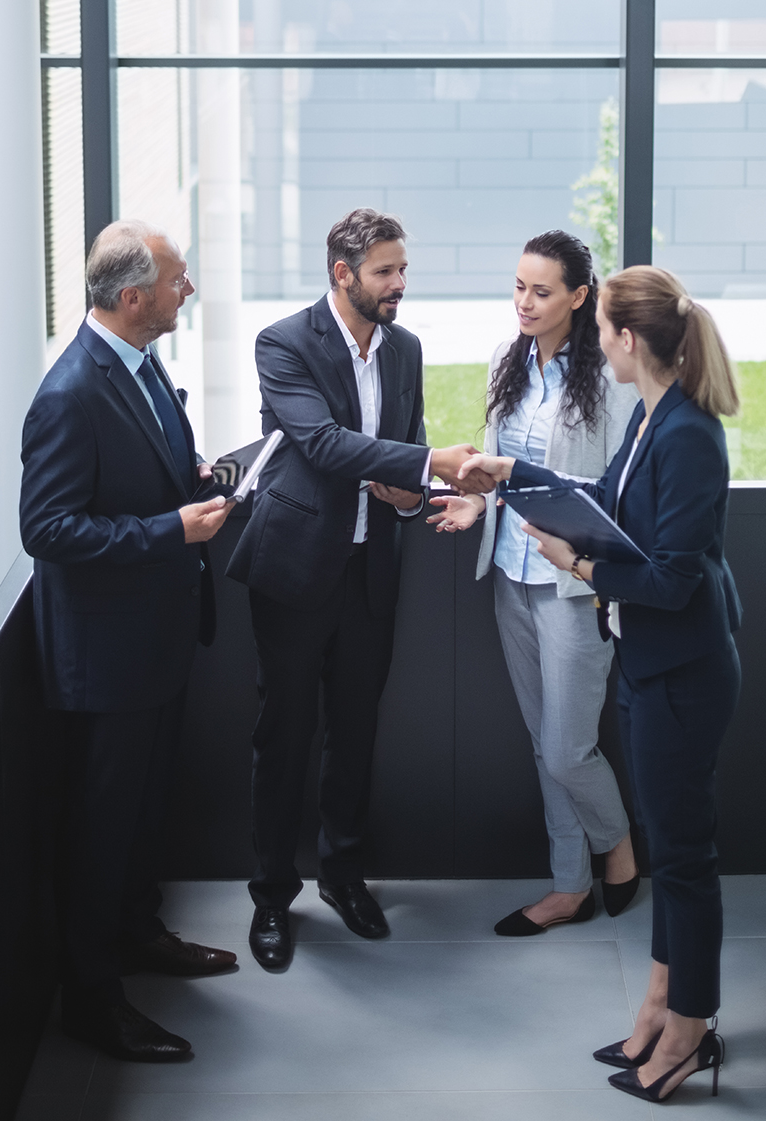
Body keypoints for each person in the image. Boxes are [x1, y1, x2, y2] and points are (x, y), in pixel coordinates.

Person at [458, 265, 742, 1103]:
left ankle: (691, 1028)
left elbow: (673, 578)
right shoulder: (652, 418)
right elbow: (605, 500)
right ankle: (661, 999)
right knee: (673, 847)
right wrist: (513, 478)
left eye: (604, 329)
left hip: (683, 672)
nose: (598, 343)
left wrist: (579, 562)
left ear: (624, 337)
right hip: (650, 662)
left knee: (685, 860)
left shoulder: (688, 432)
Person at [227, 207, 495, 971]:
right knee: (283, 739)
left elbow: (399, 447)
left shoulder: (405, 349)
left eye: (402, 269)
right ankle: (273, 898)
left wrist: (411, 493)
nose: (399, 284)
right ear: (342, 274)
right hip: (294, 570)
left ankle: (343, 876)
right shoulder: (283, 342)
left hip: (370, 568)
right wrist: (427, 464)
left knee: (355, 732)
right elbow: (319, 443)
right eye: (385, 271)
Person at [20, 220, 238, 1062]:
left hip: (156, 642)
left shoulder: (142, 366)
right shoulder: (69, 392)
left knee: (145, 813)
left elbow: (140, 471)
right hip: (105, 661)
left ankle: (140, 935)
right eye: (181, 281)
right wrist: (169, 529)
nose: (190, 292)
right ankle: (92, 1000)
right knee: (101, 830)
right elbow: (47, 528)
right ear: (135, 295)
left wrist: (193, 482)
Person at [426, 231, 641, 931]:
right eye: (518, 286)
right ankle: (568, 884)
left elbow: (615, 489)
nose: (524, 302)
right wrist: (478, 499)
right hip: (510, 575)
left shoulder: (608, 377)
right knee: (539, 740)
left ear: (580, 298)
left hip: (573, 584)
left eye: (541, 291)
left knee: (566, 746)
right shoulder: (505, 359)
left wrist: (555, 519)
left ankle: (618, 845)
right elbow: (498, 464)